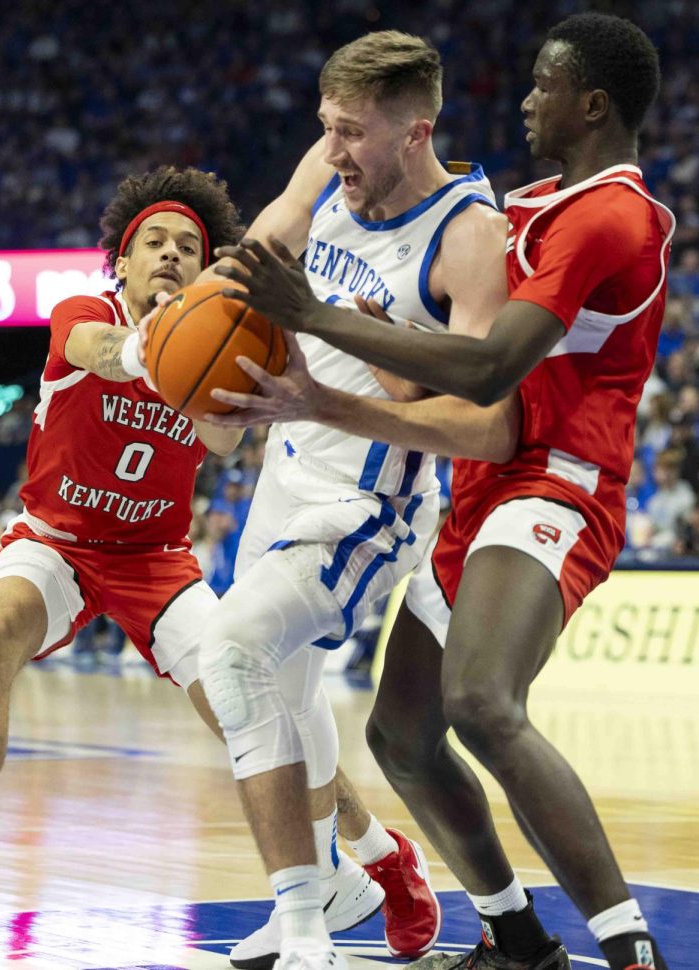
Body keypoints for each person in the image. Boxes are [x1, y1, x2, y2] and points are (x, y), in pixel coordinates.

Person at [210, 14, 671, 970]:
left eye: (544, 87)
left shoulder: (606, 214)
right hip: (481, 485)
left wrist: (323, 322)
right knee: (402, 733)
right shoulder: (546, 199)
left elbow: (493, 365)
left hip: (555, 480)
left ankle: (632, 951)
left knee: (481, 703)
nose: (524, 100)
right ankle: (515, 939)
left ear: (592, 104)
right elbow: (445, 370)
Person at [0, 167, 413, 947]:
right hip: (56, 541)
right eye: (152, 241)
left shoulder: (213, 344)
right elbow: (106, 352)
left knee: (254, 711)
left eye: (188, 246)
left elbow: (225, 437)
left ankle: (370, 856)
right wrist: (159, 343)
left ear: (204, 266)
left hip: (155, 557)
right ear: (120, 262)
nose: (169, 254)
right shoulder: (84, 312)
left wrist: (231, 357)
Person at [156, 29, 505, 970]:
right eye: (327, 127)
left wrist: (342, 388)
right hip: (287, 462)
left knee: (232, 657)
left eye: (352, 132)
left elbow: (478, 419)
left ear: (415, 131)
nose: (333, 148)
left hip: (370, 501)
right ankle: (348, 880)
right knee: (287, 687)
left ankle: (308, 925)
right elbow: (264, 246)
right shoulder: (331, 164)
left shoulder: (469, 238)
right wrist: (184, 323)